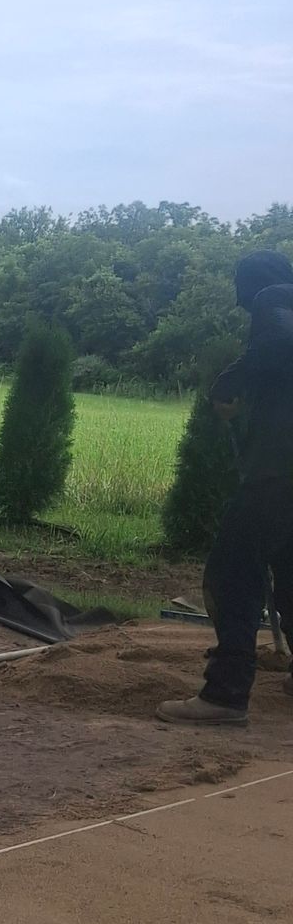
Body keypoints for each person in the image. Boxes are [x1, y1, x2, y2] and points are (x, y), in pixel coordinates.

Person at [159, 250, 293, 727]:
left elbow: (278, 343)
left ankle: (225, 694)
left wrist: (229, 380)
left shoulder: (275, 295)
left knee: (233, 573)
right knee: (290, 573)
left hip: (278, 471)